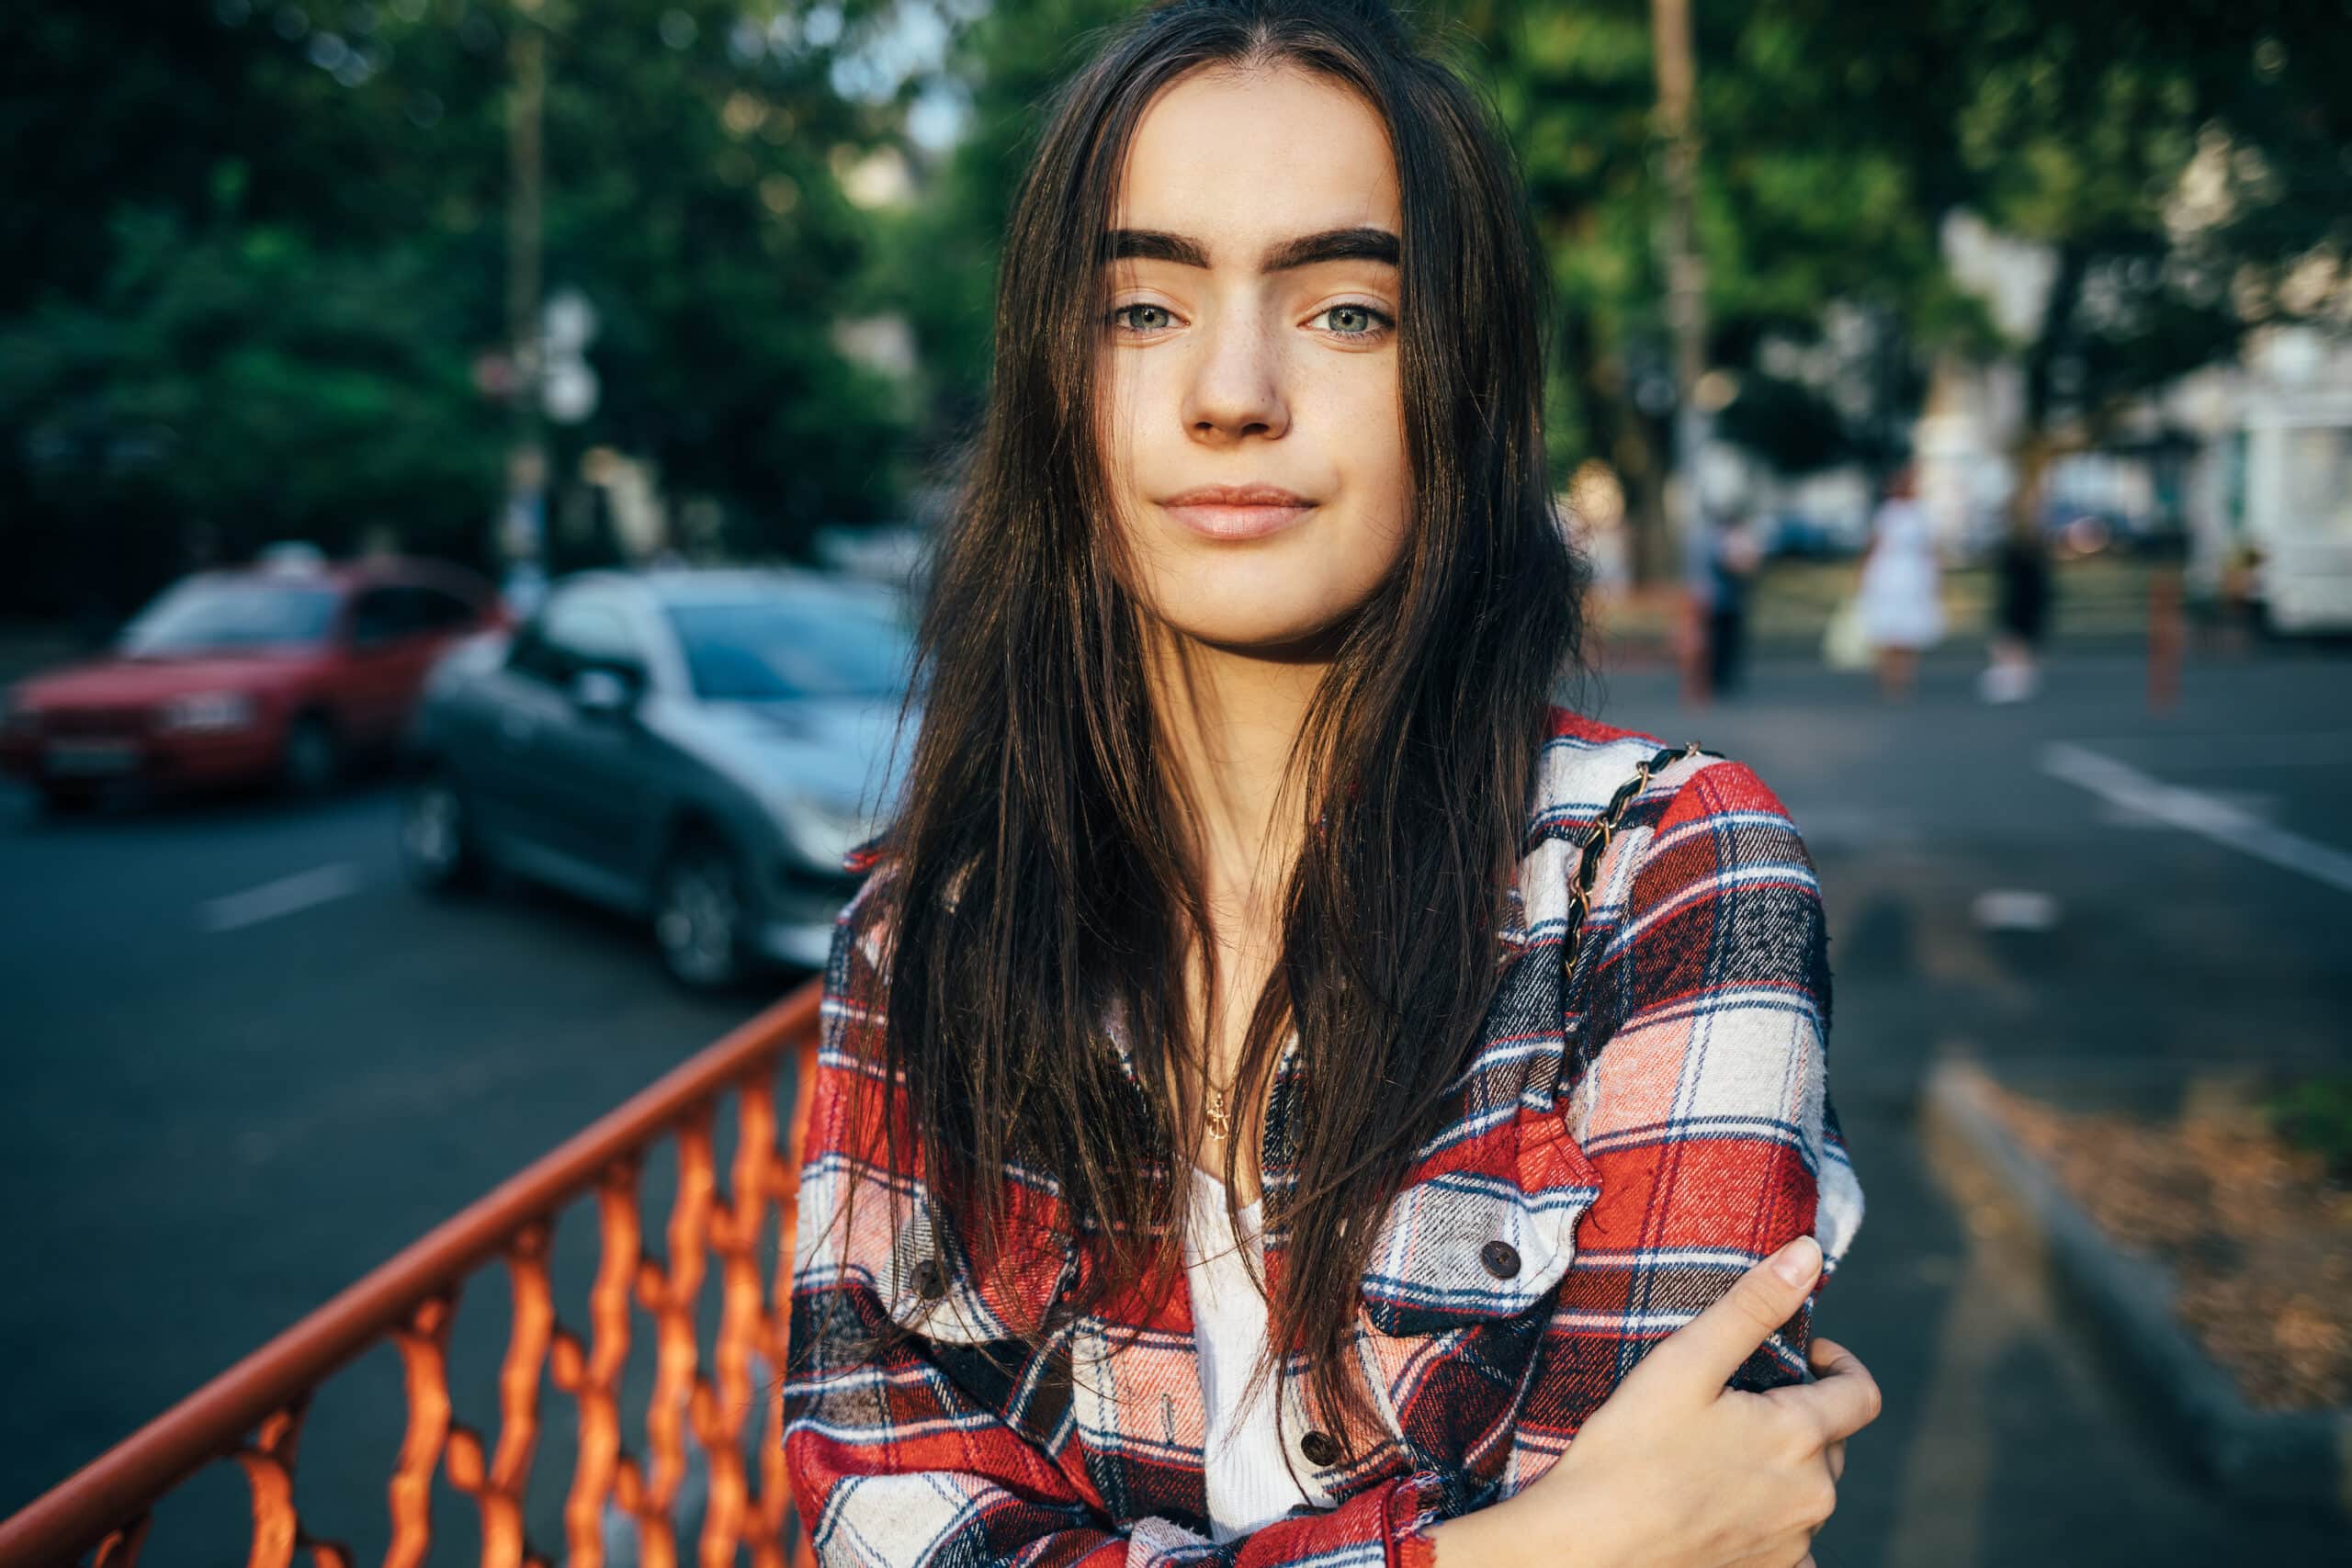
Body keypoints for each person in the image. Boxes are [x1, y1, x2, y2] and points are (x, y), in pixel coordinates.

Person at [782, 5, 1877, 1565]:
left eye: (1347, 311)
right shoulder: (923, 931)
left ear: (1465, 387)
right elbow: (879, 1517)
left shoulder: (1667, 877)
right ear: (1053, 394)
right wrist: (1512, 1551)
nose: (1232, 390)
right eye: (1142, 310)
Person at [1855, 467, 1944, 702]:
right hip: (1892, 577)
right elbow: (1876, 546)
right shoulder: (1890, 513)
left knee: (1907, 632)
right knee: (1889, 631)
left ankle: (1902, 678)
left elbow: (1929, 549)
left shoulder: (1919, 513)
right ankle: (1891, 678)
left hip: (1911, 578)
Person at [1979, 516, 2052, 703]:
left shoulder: (2022, 552)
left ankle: (2017, 678)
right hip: (2022, 599)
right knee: (2016, 638)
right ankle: (2017, 677)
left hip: (2020, 600)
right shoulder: (2029, 553)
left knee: (2015, 638)